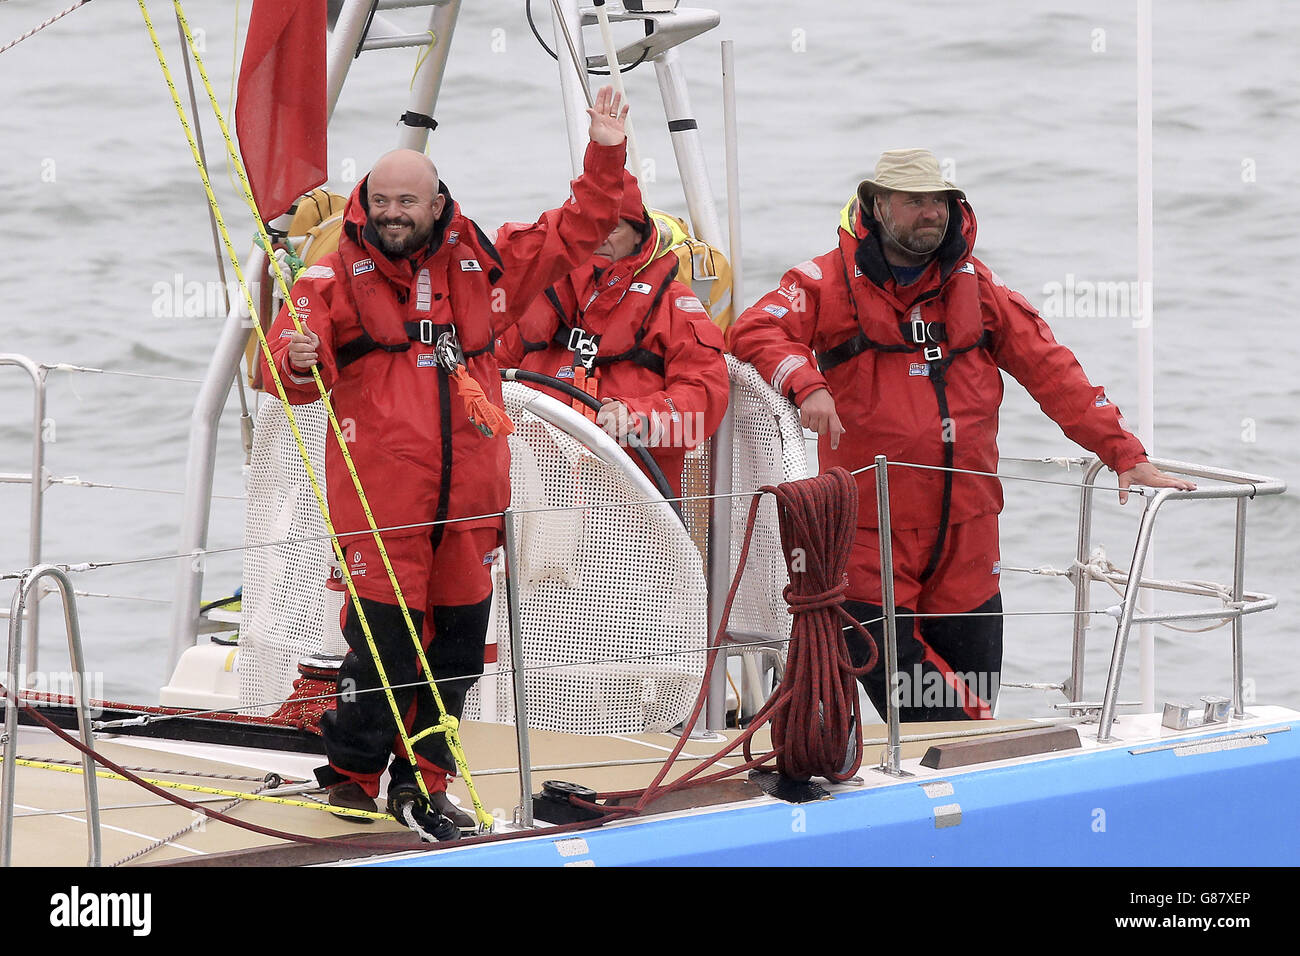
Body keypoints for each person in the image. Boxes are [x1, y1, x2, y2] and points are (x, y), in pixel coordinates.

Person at [263, 88, 631, 830]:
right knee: (387, 654)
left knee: (457, 655)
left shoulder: (489, 266)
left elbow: (583, 224)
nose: (394, 212)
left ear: (437, 206)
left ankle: (422, 783)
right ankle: (351, 776)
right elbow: (281, 369)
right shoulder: (325, 281)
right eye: (382, 200)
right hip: (381, 510)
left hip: (469, 510)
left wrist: (607, 147)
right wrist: (298, 358)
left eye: (409, 200)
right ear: (366, 202)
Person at [726, 148, 1194, 723]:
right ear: (876, 204)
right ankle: (966, 758)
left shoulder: (978, 285)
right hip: (871, 530)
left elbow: (1053, 370)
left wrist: (1123, 452)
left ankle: (963, 777)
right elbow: (755, 328)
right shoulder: (826, 281)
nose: (931, 213)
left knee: (966, 703)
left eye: (940, 201)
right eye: (914, 201)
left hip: (969, 529)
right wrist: (806, 382)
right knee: (923, 701)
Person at [497, 169, 729, 496]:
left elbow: (706, 398)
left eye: (613, 226)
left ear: (639, 234)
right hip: (534, 496)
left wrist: (639, 418)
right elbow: (489, 371)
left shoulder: (674, 304)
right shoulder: (536, 295)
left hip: (634, 504)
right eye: (588, 227)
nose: (599, 237)